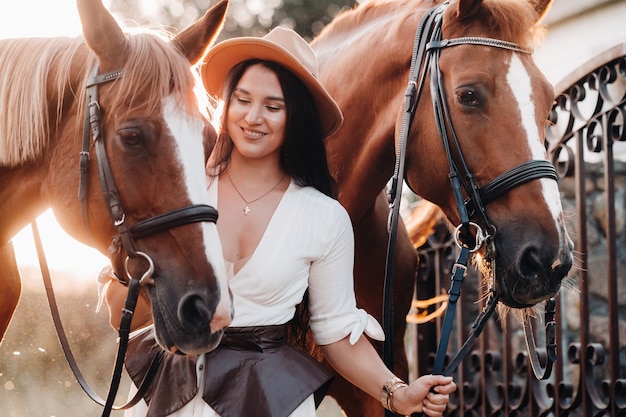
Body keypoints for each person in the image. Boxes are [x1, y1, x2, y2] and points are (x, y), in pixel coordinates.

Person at [101, 26, 456, 417]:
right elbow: (123, 304)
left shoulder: (323, 218)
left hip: (267, 400)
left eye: (273, 106)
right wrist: (125, 274)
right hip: (167, 394)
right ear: (226, 104)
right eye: (242, 99)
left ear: (295, 117)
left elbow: (336, 332)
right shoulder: (185, 194)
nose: (253, 117)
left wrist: (396, 392)